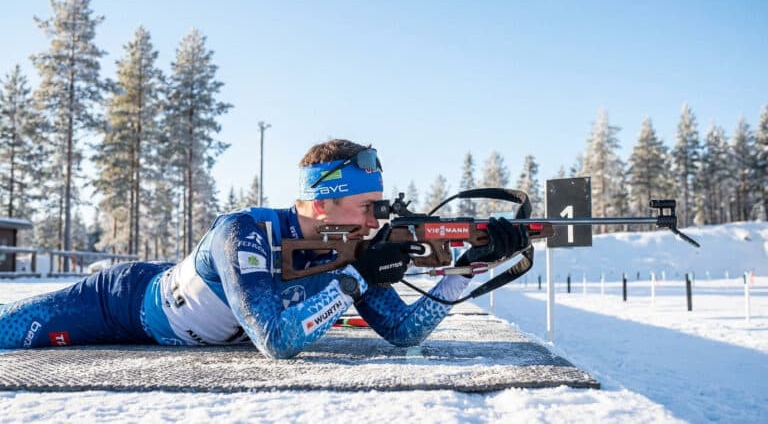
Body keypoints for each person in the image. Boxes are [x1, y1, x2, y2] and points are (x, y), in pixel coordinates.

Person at [0, 139, 529, 358]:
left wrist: (463, 273)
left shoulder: (350, 248)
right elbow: (276, 341)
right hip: (119, 303)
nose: (377, 219)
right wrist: (360, 279)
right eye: (367, 206)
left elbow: (403, 334)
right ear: (322, 204)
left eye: (380, 206)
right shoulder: (244, 232)